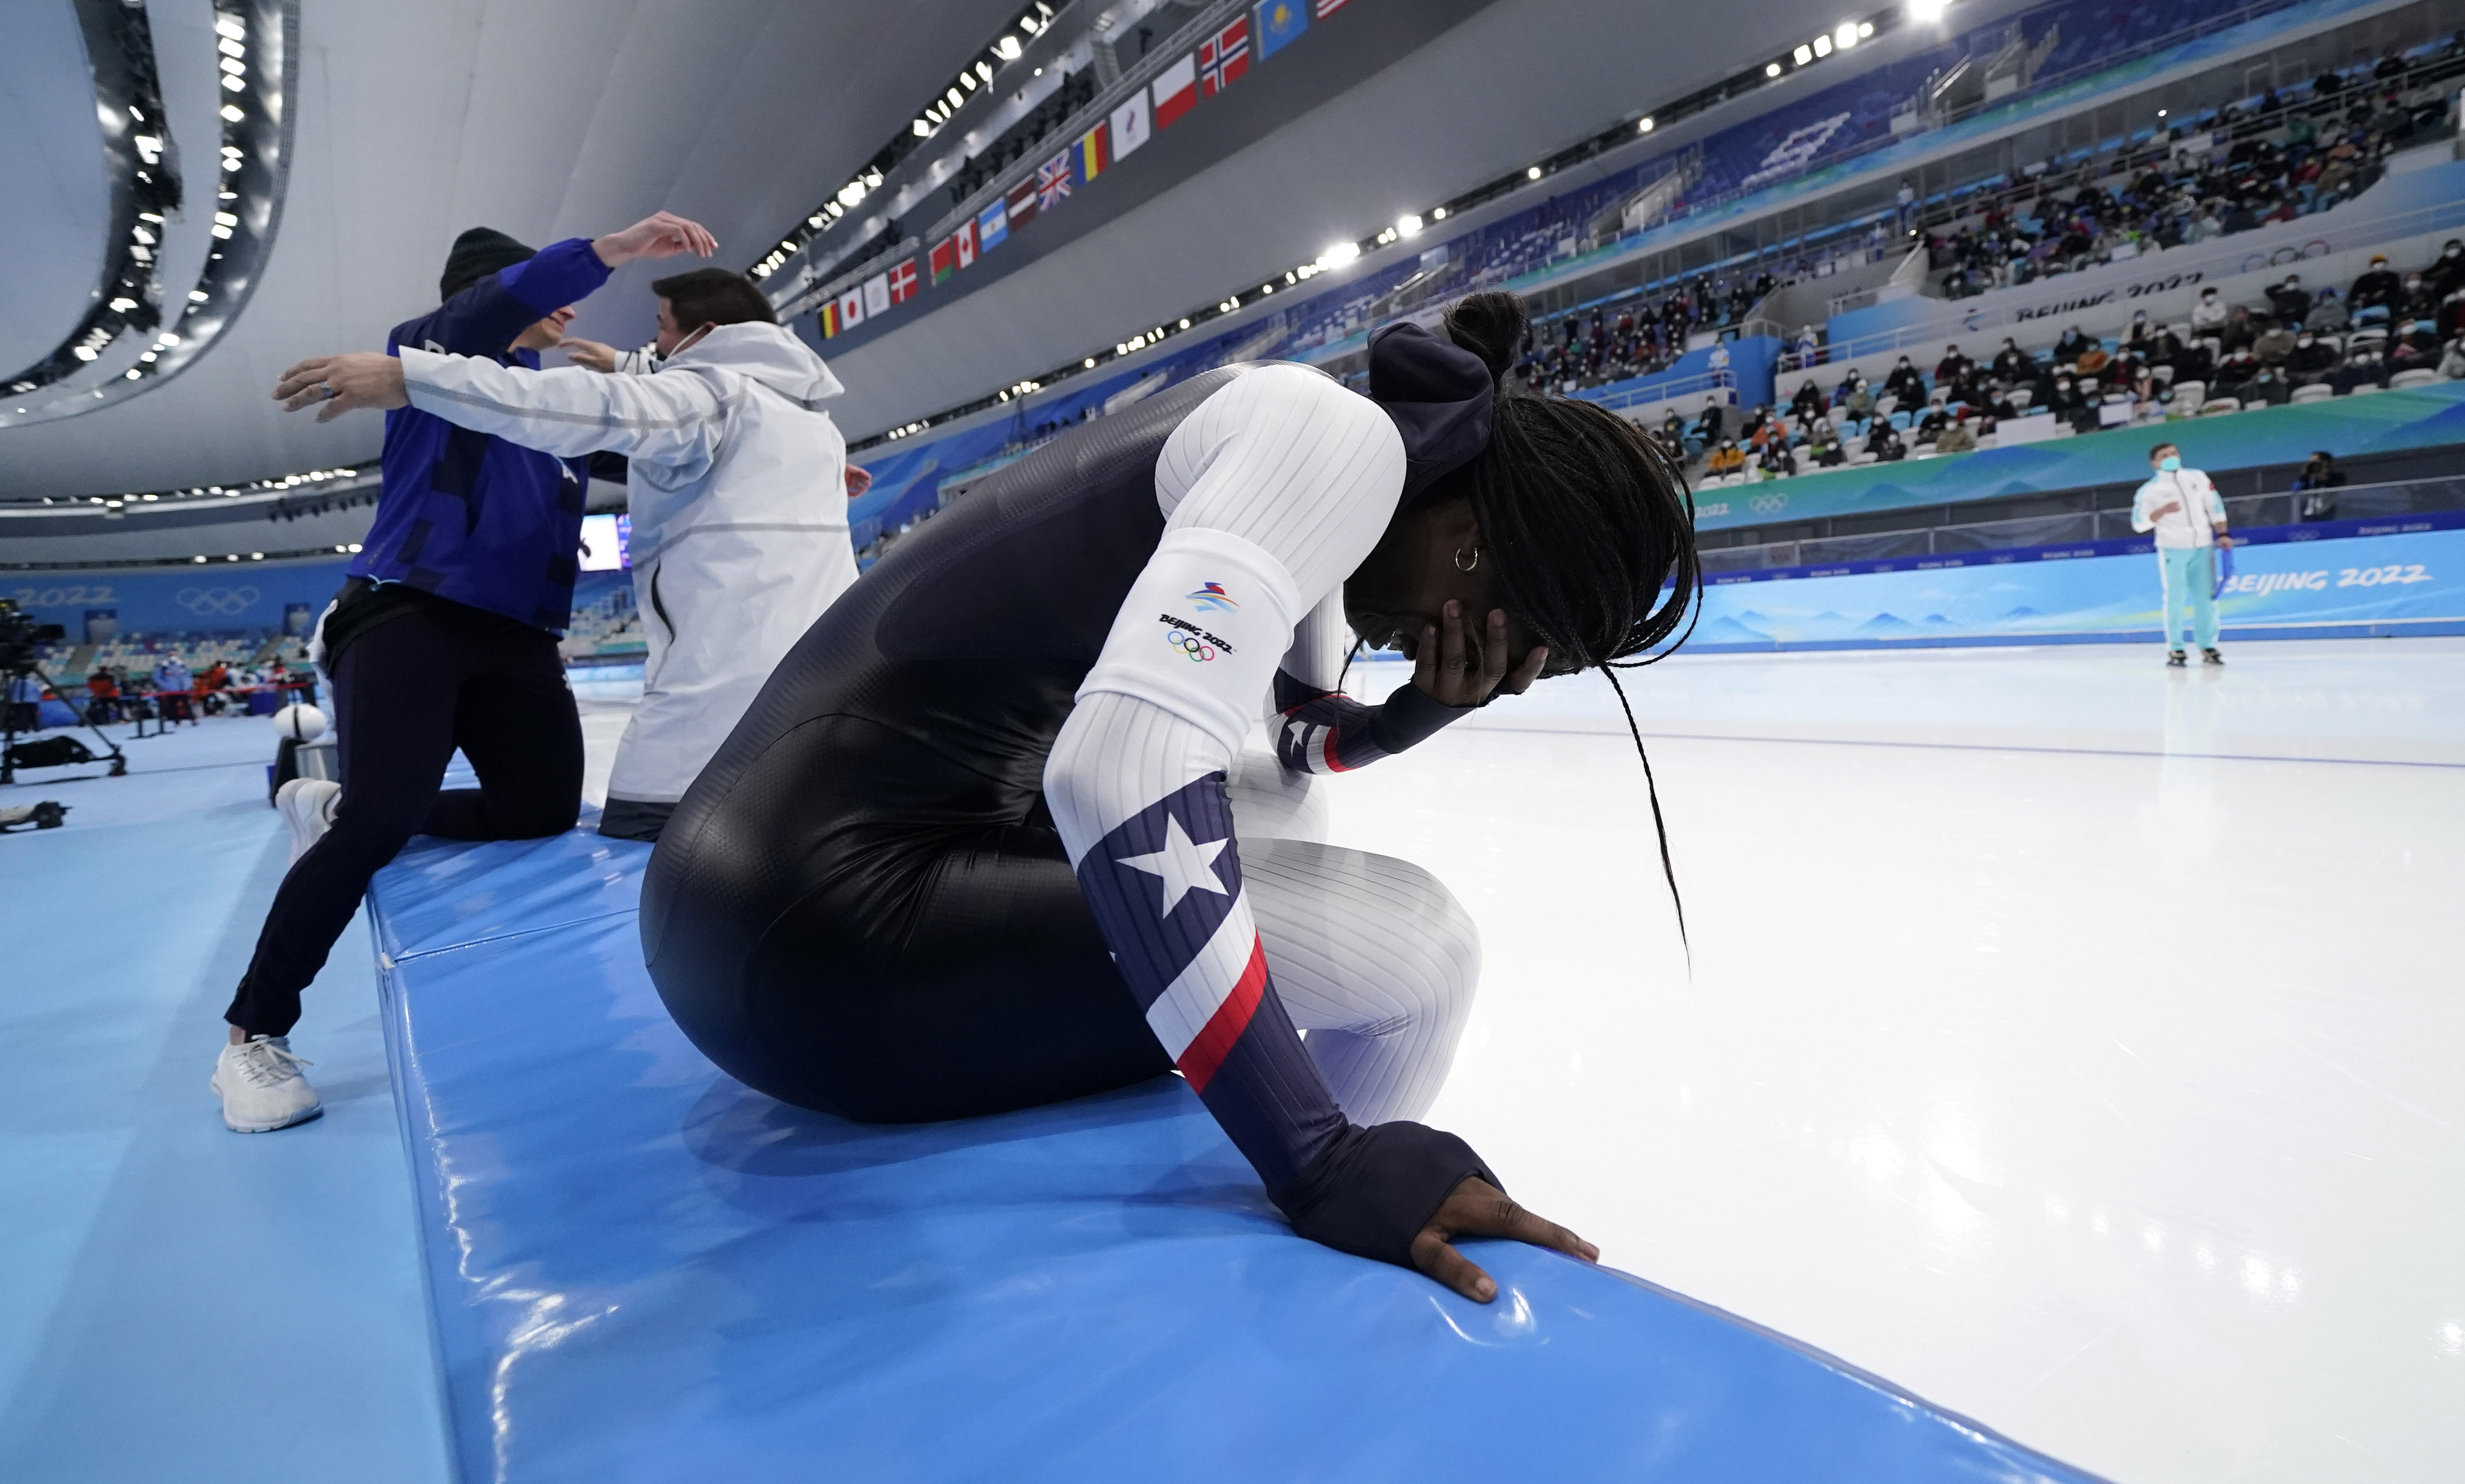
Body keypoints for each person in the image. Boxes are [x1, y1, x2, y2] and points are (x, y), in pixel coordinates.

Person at [639, 291, 1694, 1301]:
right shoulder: (1340, 452)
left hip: (770, 880)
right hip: (813, 932)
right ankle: (1314, 1254)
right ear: (1475, 544)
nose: (1473, 647)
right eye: (1504, 624)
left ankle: (1262, 1134)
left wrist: (1419, 709)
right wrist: (1318, 1157)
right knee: (1421, 956)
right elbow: (1117, 767)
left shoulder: (1323, 436)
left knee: (1272, 802)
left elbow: (1296, 742)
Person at [211, 211, 718, 1134]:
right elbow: (504, 305)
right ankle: (252, 1034)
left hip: (517, 637)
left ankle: (347, 804)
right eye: (538, 290)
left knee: (539, 810)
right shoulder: (436, 365)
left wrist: (797, 463)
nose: (562, 305)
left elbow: (663, 452)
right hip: (411, 609)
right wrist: (615, 249)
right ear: (485, 301)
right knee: (376, 821)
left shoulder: (555, 411)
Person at [275, 265, 860, 843]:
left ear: (701, 336)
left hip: (707, 716)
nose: (651, 345)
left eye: (659, 329)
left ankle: (342, 812)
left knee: (643, 837)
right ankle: (354, 811)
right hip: (828, 702)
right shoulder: (812, 427)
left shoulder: (709, 394)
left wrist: (414, 377)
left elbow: (578, 405)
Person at [2132, 441, 2230, 666]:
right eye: (2165, 455)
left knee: (2206, 599)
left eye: (2174, 453)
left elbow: (2214, 505)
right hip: (2173, 549)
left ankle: (2208, 645)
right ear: (2155, 463)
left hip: (2203, 546)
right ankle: (2176, 648)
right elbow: (2139, 524)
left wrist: (2223, 533)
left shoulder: (2197, 478)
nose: (2172, 457)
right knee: (2175, 599)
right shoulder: (2150, 491)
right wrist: (2161, 511)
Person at [2292, 450, 2346, 520]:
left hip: (2327, 517)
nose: (2313, 465)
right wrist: (2304, 477)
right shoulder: (2308, 480)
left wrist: (2323, 477)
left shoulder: (2336, 477)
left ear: (2326, 463)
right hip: (2307, 517)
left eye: (2315, 463)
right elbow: (2294, 491)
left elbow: (2336, 487)